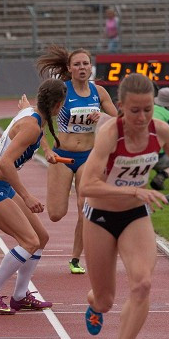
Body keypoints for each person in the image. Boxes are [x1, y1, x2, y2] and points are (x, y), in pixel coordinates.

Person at [79, 73, 169, 339]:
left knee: (142, 284)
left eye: (147, 110)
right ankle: (94, 304)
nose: (142, 118)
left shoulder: (161, 130)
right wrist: (134, 192)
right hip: (99, 216)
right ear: (121, 108)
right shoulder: (110, 135)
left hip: (134, 218)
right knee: (106, 299)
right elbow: (87, 185)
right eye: (134, 111)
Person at [0, 79, 66, 314]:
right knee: (29, 241)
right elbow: (5, 162)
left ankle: (20, 295)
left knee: (41, 237)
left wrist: (46, 150)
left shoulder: (32, 114)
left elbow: (32, 127)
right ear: (57, 105)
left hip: (1, 187)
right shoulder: (32, 126)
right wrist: (26, 196)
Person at [37, 46, 118, 276]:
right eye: (77, 64)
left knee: (85, 208)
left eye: (85, 64)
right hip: (62, 156)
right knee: (55, 214)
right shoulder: (61, 91)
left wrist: (101, 116)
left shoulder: (99, 93)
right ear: (69, 69)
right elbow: (38, 122)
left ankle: (75, 258)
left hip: (89, 157)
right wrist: (46, 150)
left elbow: (118, 121)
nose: (82, 68)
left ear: (90, 67)